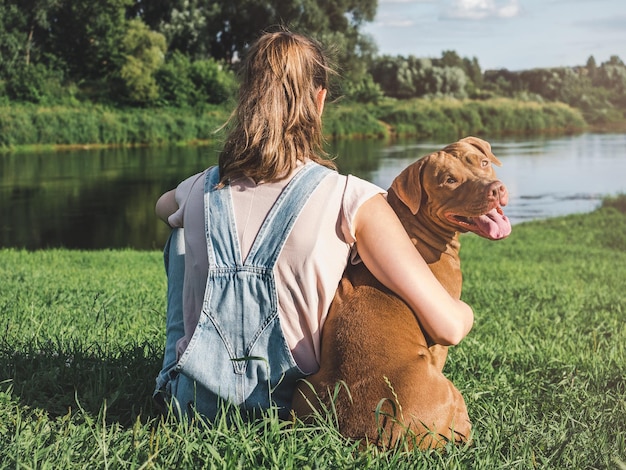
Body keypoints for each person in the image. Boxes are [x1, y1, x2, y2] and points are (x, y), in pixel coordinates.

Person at [153, 29, 474, 421]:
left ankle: (175, 373)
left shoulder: (201, 187)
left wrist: (209, 196)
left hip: (193, 407)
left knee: (180, 232)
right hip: (292, 408)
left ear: (248, 99)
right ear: (319, 100)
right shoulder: (351, 199)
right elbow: (449, 328)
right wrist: (465, 311)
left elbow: (161, 206)